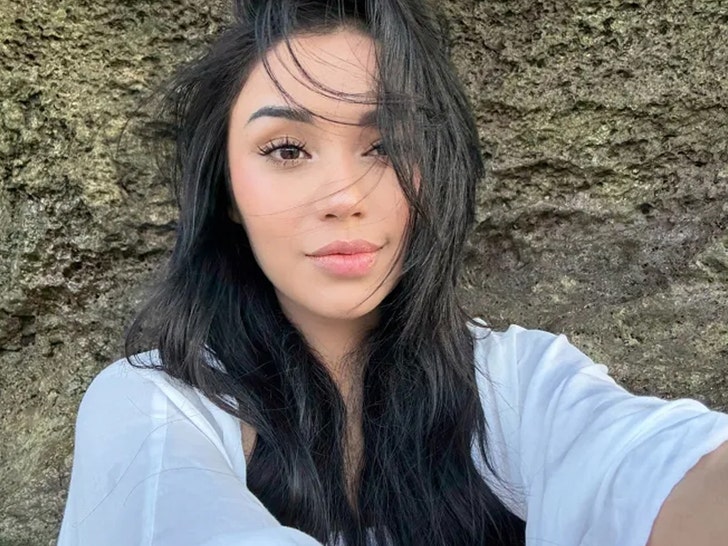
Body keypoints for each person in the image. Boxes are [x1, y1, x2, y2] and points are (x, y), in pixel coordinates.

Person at [57, 1, 728, 545]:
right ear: (227, 189)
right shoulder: (153, 404)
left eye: (386, 144)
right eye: (286, 149)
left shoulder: (516, 384)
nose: (344, 196)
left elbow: (662, 469)